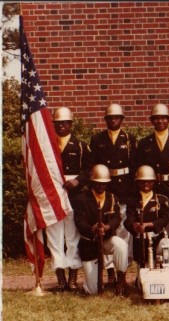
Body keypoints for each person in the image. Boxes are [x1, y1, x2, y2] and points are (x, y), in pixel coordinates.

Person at [89, 103, 137, 283]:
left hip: (124, 188)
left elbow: (134, 167)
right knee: (108, 229)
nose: (113, 120)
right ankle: (109, 270)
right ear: (106, 120)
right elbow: (94, 166)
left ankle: (121, 271)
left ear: (122, 119)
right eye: (110, 118)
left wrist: (132, 190)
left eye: (116, 117)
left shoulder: (129, 139)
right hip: (105, 189)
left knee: (123, 230)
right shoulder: (97, 139)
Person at [47, 106, 92, 291]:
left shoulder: (81, 146)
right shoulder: (47, 146)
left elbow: (89, 169)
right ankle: (60, 275)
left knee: (72, 235)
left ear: (71, 124)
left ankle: (73, 274)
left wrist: (77, 181)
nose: (62, 126)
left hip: (74, 194)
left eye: (65, 123)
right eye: (58, 123)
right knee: (54, 234)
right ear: (54, 125)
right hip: (53, 194)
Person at [73, 164, 130, 296]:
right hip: (90, 243)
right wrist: (91, 229)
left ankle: (120, 283)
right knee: (93, 291)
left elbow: (116, 218)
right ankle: (89, 285)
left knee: (121, 245)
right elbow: (79, 222)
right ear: (92, 181)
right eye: (98, 183)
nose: (101, 187)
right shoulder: (82, 198)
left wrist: (108, 227)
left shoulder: (112, 198)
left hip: (106, 239)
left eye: (104, 184)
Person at [136, 103, 169, 203]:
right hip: (154, 189)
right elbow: (140, 167)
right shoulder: (144, 143)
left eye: (163, 118)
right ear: (151, 121)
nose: (160, 121)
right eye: (156, 118)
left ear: (168, 120)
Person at [124, 165, 169, 278]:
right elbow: (128, 219)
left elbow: (164, 219)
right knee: (143, 276)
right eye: (142, 182)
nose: (146, 185)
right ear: (137, 182)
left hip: (156, 237)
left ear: (154, 182)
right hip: (140, 238)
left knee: (157, 271)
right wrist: (134, 226)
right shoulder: (132, 200)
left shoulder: (161, 199)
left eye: (149, 182)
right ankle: (139, 278)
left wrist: (150, 225)